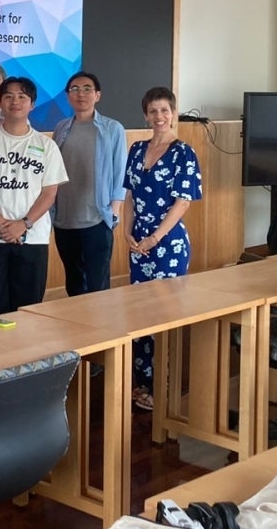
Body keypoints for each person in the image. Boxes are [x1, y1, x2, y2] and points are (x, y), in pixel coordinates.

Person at [123, 86, 203, 412]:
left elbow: (183, 203)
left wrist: (155, 238)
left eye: (165, 110)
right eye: (153, 111)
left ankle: (164, 388)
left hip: (167, 245)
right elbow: (129, 195)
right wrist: (126, 232)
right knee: (139, 317)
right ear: (146, 115)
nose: (159, 117)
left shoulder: (184, 152)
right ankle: (142, 384)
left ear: (173, 113)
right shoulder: (137, 149)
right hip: (137, 244)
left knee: (163, 317)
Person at [0, 77, 67, 315]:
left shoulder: (46, 146)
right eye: (8, 95)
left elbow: (50, 192)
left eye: (22, 96)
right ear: (0, 101)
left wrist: (24, 224)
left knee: (28, 310)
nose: (15, 101)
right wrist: (1, 224)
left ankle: (27, 354)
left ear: (32, 104)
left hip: (33, 238)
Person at [52, 71, 128, 296]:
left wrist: (114, 210)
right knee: (73, 283)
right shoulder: (61, 128)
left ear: (98, 95)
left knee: (98, 285)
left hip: (97, 217)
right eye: (74, 89)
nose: (80, 94)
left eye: (87, 89)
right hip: (64, 218)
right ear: (68, 96)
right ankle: (77, 330)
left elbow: (120, 171)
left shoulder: (112, 128)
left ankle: (102, 330)